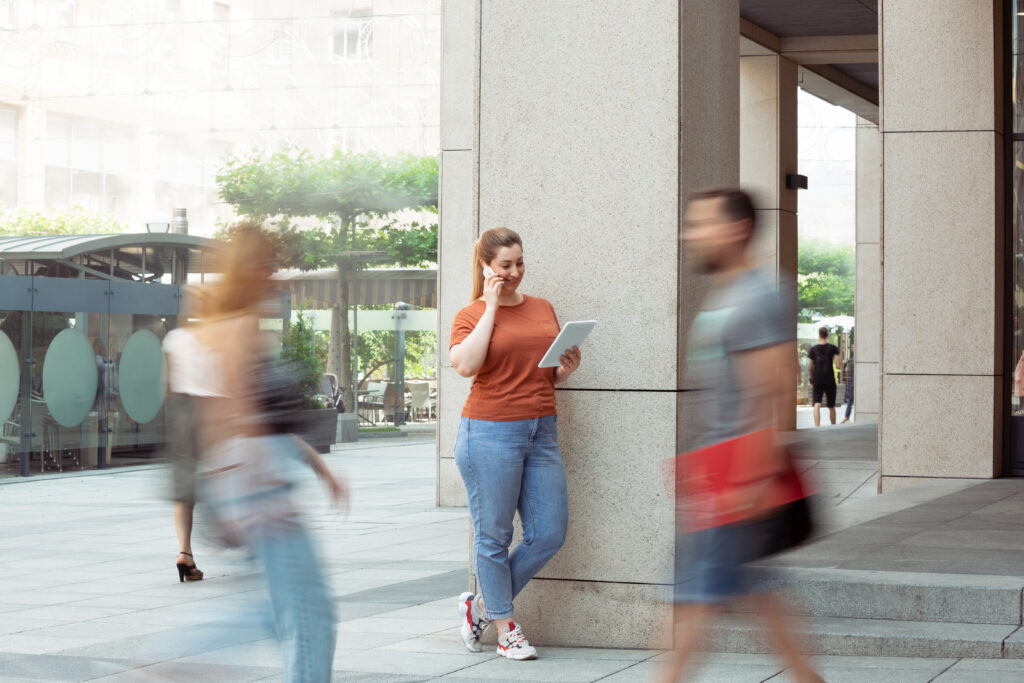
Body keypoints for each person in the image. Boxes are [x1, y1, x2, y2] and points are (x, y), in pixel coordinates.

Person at [667, 187, 822, 683]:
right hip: (721, 474)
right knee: (754, 589)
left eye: (701, 224)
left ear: (737, 229)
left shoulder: (756, 297)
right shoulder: (728, 294)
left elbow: (774, 394)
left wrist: (749, 484)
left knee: (691, 602)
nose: (688, 234)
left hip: (737, 481)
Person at [190, 225, 348, 682]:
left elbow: (255, 419)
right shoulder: (239, 329)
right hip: (260, 487)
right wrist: (257, 496)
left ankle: (181, 658)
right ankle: (177, 658)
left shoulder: (230, 326)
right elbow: (238, 417)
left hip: (251, 481)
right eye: (268, 265)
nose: (274, 274)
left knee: (277, 609)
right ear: (251, 270)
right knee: (310, 613)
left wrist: (319, 468)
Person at [449, 227, 582, 661]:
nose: (515, 273)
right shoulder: (470, 314)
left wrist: (564, 371)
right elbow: (466, 365)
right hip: (489, 431)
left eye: (520, 263)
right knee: (494, 535)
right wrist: (489, 305)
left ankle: (483, 604)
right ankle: (506, 628)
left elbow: (543, 373)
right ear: (486, 267)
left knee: (548, 533)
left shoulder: (542, 307)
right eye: (505, 266)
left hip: (541, 430)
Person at [808, 327, 840, 427]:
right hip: (829, 379)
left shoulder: (813, 349)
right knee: (831, 406)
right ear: (827, 335)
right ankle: (833, 426)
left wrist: (811, 377)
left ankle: (817, 426)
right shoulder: (833, 348)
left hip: (817, 380)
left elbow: (810, 367)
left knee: (817, 404)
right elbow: (838, 364)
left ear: (819, 335)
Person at [841, 344, 855, 424]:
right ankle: (846, 417)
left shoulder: (854, 360)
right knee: (850, 400)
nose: (852, 348)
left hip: (854, 383)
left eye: (854, 347)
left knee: (850, 400)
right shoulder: (852, 359)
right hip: (852, 382)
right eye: (852, 347)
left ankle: (846, 416)